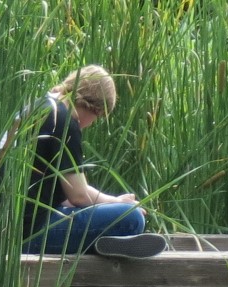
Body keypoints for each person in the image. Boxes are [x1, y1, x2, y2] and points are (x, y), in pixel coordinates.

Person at [20, 65, 165, 259]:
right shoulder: (64, 120)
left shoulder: (39, 106)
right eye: (98, 117)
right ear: (92, 106)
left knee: (111, 212)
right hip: (32, 235)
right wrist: (117, 202)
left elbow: (59, 194)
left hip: (9, 231)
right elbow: (78, 196)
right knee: (131, 218)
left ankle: (100, 243)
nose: (92, 123)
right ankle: (98, 244)